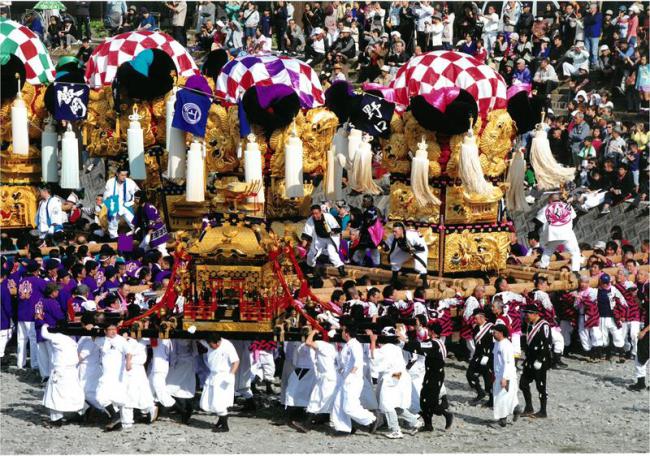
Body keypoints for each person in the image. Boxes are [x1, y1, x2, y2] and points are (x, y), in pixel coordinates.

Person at [367, 327, 419, 439]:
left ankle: (395, 430)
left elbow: (374, 358)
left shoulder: (387, 348)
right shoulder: (396, 347)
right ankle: (415, 422)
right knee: (395, 404)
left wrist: (372, 341)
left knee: (387, 403)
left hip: (393, 376)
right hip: (400, 375)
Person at [404, 322, 453, 431]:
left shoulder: (434, 343)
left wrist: (404, 341)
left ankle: (446, 414)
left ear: (433, 332)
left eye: (429, 330)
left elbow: (419, 346)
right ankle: (428, 425)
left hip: (435, 375)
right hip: (431, 373)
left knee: (430, 401)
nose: (428, 331)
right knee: (424, 399)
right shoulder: (436, 342)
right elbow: (421, 344)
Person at [330, 324, 378, 435]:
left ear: (346, 333)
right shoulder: (348, 345)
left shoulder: (355, 345)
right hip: (345, 379)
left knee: (349, 407)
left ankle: (372, 419)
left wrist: (351, 375)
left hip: (353, 380)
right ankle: (343, 428)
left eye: (342, 331)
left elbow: (358, 362)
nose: (341, 333)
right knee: (338, 404)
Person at [40, 323, 86, 427]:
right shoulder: (72, 339)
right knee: (73, 392)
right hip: (72, 370)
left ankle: (56, 420)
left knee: (55, 395)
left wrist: (44, 325)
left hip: (60, 370)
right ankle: (81, 414)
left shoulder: (58, 337)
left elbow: (44, 334)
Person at [199, 333, 240, 432]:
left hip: (223, 377)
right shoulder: (210, 343)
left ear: (218, 342)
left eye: (211, 345)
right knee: (208, 400)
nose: (210, 347)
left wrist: (231, 375)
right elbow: (200, 340)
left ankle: (225, 427)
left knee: (219, 402)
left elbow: (236, 361)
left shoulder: (228, 346)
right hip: (213, 375)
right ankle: (220, 422)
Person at [95, 323, 131, 431]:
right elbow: (93, 338)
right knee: (101, 396)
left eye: (114, 329)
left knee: (105, 396)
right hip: (105, 373)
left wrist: (128, 362)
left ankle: (115, 419)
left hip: (116, 374)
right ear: (105, 331)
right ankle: (115, 419)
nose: (113, 331)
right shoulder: (102, 340)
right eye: (110, 329)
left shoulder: (120, 340)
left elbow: (128, 352)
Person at [519, 304, 552, 418]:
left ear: (535, 314)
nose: (526, 316)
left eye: (528, 314)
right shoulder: (529, 324)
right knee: (523, 384)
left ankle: (543, 411)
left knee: (541, 386)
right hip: (530, 359)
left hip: (540, 360)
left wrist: (540, 359)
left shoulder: (544, 325)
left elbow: (547, 344)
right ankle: (529, 407)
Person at [537, 193, 581, 272]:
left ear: (550, 200)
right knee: (575, 252)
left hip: (553, 235)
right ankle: (575, 271)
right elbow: (575, 218)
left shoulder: (547, 207)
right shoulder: (568, 206)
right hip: (567, 234)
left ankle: (543, 267)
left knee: (548, 250)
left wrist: (538, 233)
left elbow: (538, 221)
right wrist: (569, 228)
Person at [122, 334, 158, 428]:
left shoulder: (132, 341)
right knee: (142, 391)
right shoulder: (143, 340)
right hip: (139, 368)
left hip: (131, 367)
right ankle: (150, 408)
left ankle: (127, 421)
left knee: (128, 393)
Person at [16, 260, 46, 370]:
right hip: (32, 314)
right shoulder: (39, 281)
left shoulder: (21, 281)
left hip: (21, 313)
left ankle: (20, 363)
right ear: (36, 270)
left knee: (21, 339)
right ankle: (34, 364)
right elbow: (48, 291)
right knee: (33, 340)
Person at [304, 328, 338, 426]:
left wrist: (313, 332)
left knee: (318, 399)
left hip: (327, 377)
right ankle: (317, 420)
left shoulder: (322, 344)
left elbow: (308, 342)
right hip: (329, 376)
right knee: (324, 399)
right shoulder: (332, 347)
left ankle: (307, 424)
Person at [301, 205, 346, 276]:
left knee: (332, 253)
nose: (315, 215)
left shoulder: (328, 216)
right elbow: (307, 234)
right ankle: (312, 268)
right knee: (311, 254)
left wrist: (332, 231)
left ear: (321, 212)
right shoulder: (310, 220)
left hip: (331, 237)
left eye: (317, 213)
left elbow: (336, 228)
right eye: (313, 214)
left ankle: (341, 270)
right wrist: (302, 247)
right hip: (319, 238)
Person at [34, 282, 65, 382]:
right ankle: (52, 377)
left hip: (39, 330)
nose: (58, 292)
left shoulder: (39, 301)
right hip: (50, 331)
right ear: (52, 292)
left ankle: (44, 376)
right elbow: (59, 316)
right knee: (52, 355)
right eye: (56, 290)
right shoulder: (52, 302)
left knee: (42, 355)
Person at [491, 324, 520, 427]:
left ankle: (502, 418)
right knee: (504, 395)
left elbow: (508, 363)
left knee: (501, 396)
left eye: (495, 332)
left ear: (501, 333)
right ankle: (516, 408)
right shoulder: (497, 344)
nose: (493, 334)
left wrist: (505, 378)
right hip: (498, 374)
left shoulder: (506, 345)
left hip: (506, 376)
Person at [383, 222, 428, 288]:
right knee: (395, 260)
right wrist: (382, 244)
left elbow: (422, 247)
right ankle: (394, 279)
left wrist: (411, 249)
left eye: (396, 232)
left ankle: (424, 282)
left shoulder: (411, 235)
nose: (394, 233)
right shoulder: (393, 236)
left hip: (419, 249)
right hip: (405, 250)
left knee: (419, 266)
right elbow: (387, 247)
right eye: (393, 231)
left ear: (401, 230)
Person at [103, 167, 140, 240]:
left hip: (127, 204)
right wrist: (111, 203)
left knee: (130, 218)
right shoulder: (110, 182)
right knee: (113, 217)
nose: (124, 177)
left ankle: (136, 231)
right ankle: (113, 236)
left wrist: (132, 202)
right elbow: (107, 195)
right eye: (122, 175)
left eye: (125, 175)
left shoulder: (130, 182)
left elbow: (137, 193)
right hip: (114, 203)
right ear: (117, 174)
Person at [466, 308, 493, 406]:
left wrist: (487, 355)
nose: (474, 321)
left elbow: (493, 343)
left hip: (488, 357)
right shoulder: (476, 328)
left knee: (488, 379)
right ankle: (480, 392)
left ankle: (491, 399)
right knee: (469, 374)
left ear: (482, 317)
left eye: (476, 318)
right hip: (478, 355)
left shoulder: (491, 328)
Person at [166, 339, 197, 423]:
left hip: (185, 363)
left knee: (184, 388)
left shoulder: (186, 338)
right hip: (182, 362)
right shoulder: (177, 339)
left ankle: (184, 411)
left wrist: (172, 365)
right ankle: (182, 411)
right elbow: (194, 352)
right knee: (174, 386)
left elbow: (173, 352)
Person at [133, 191, 169, 255]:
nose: (134, 200)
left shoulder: (148, 208)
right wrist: (133, 230)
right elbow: (136, 221)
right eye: (135, 198)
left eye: (137, 198)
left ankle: (167, 263)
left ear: (142, 199)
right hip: (146, 232)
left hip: (157, 231)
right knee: (141, 249)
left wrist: (148, 236)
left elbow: (151, 222)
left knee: (161, 250)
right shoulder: (140, 208)